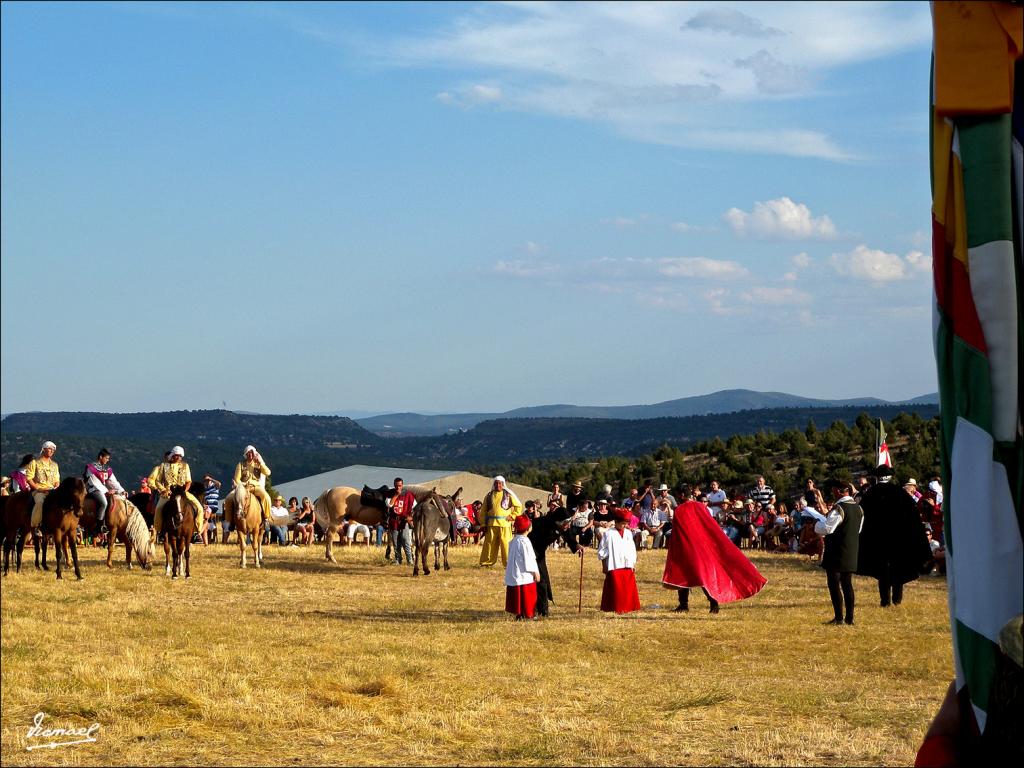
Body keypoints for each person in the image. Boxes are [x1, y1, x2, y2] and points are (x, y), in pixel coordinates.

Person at [662, 485, 766, 614]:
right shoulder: (701, 506)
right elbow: (710, 526)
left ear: (682, 495)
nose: (678, 497)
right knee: (702, 576)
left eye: (678, 495)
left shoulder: (680, 510)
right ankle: (710, 604)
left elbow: (678, 532)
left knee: (686, 575)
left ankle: (689, 605)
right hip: (702, 547)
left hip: (687, 549)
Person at [857, 464, 931, 608]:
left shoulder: (870, 494)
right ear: (890, 476)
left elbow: (862, 517)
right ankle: (897, 599)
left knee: (882, 570)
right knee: (898, 568)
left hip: (878, 539)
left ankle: (885, 601)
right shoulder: (901, 493)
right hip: (899, 539)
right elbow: (913, 518)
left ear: (877, 477)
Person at [807, 480, 864, 626]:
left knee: (834, 584)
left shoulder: (839, 508)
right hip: (851, 550)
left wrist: (816, 525)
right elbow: (858, 530)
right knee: (847, 584)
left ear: (839, 491)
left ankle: (839, 618)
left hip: (836, 551)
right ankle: (850, 618)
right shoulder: (859, 509)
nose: (833, 493)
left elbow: (827, 528)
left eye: (834, 491)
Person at [527, 505, 582, 617]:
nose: (567, 525)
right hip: (530, 552)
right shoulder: (543, 524)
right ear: (558, 521)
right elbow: (530, 537)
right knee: (540, 580)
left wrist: (576, 545)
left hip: (539, 553)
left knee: (543, 580)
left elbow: (567, 534)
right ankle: (541, 611)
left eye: (568, 522)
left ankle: (540, 609)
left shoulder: (561, 526)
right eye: (565, 522)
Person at [598, 508, 641, 614]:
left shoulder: (628, 533)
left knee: (627, 588)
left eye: (626, 524)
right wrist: (604, 565)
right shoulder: (609, 534)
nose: (624, 526)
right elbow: (603, 550)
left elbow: (632, 549)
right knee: (616, 588)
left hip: (627, 565)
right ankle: (615, 606)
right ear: (616, 522)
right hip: (614, 564)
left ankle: (629, 606)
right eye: (622, 524)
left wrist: (632, 563)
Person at [478, 475, 522, 567]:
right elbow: (483, 511)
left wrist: (513, 516)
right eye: (496, 483)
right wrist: (483, 523)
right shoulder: (489, 495)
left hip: (505, 524)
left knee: (506, 545)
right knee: (489, 544)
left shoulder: (508, 495)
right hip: (491, 524)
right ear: (494, 484)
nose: (498, 485)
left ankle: (508, 564)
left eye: (500, 483)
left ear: (503, 484)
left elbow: (518, 506)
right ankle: (486, 563)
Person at [504, 515, 540, 620]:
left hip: (515, 572)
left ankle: (519, 614)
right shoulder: (525, 541)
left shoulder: (514, 540)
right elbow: (529, 558)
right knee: (527, 595)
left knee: (518, 595)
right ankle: (529, 614)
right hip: (524, 574)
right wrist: (535, 572)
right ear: (528, 528)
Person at [83, 448, 126, 530]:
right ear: (100, 457)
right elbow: (94, 482)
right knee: (104, 502)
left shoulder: (107, 469)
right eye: (106, 458)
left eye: (108, 458)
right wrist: (106, 491)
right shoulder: (91, 468)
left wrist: (121, 490)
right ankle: (99, 525)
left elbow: (113, 482)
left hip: (102, 489)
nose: (107, 460)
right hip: (93, 489)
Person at [232, 446, 272, 527]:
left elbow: (268, 473)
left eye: (252, 452)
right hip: (243, 487)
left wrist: (261, 463)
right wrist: (243, 485)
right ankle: (229, 522)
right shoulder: (240, 464)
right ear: (246, 454)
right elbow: (237, 479)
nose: (250, 454)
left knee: (266, 497)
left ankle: (266, 519)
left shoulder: (259, 463)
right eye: (248, 453)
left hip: (256, 487)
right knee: (229, 499)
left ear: (255, 454)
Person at [26, 441, 61, 529]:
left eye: (53, 449)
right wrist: (38, 489)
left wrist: (56, 486)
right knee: (40, 502)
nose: (52, 451)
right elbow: (29, 478)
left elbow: (57, 480)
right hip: (38, 490)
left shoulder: (55, 465)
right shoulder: (34, 463)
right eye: (49, 448)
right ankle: (36, 526)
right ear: (43, 449)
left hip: (52, 490)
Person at [386, 477, 416, 565]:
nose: (398, 487)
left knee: (406, 540)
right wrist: (396, 495)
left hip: (404, 521)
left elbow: (415, 506)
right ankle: (398, 559)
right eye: (396, 486)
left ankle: (410, 560)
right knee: (396, 542)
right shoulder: (390, 493)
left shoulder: (408, 494)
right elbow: (389, 505)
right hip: (394, 521)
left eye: (399, 485)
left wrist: (411, 517)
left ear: (402, 485)